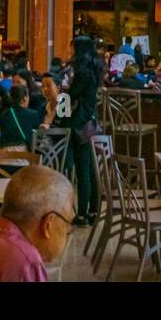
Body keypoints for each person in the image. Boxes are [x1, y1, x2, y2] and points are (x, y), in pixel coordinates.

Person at [64, 35, 104, 226]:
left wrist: (57, 115)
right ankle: (94, 211)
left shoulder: (82, 72)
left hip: (80, 123)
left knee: (83, 169)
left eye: (73, 48)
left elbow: (70, 96)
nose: (71, 52)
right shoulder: (95, 69)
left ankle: (82, 214)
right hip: (91, 121)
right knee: (90, 168)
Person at [0, 84, 41, 149]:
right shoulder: (33, 114)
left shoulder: (4, 114)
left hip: (4, 153)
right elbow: (36, 138)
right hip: (23, 154)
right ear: (25, 98)